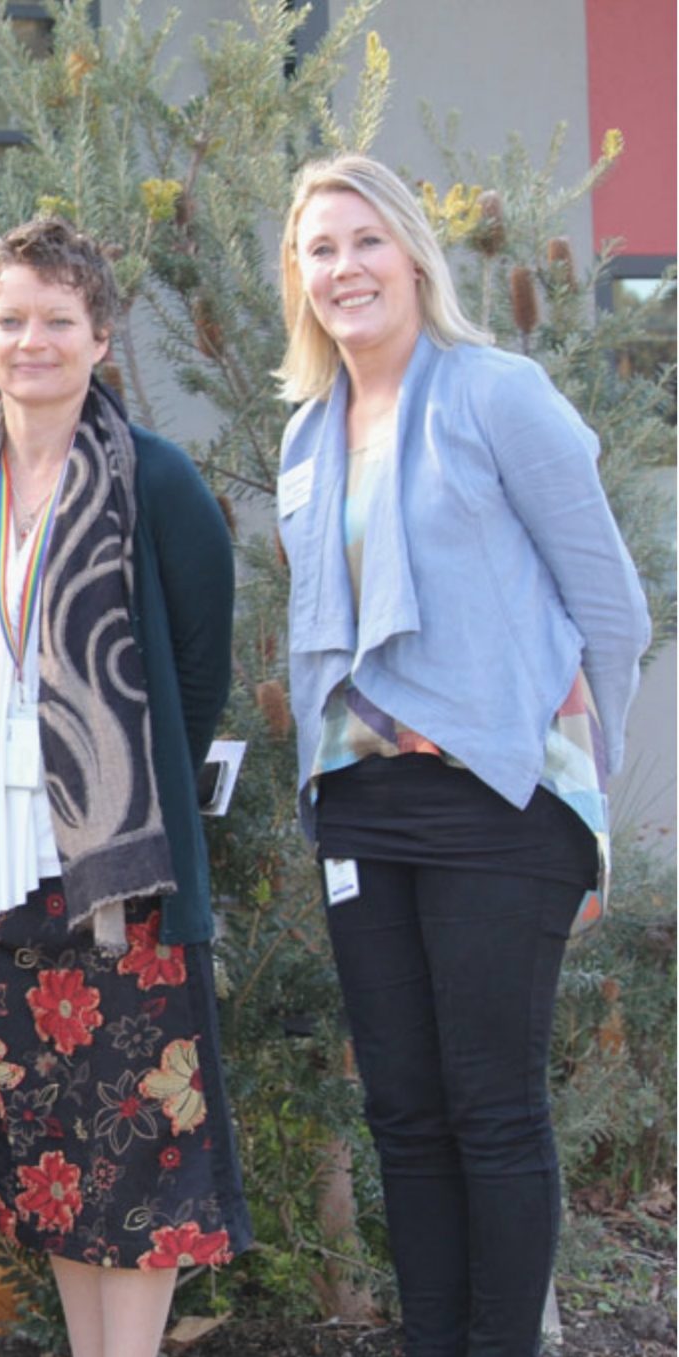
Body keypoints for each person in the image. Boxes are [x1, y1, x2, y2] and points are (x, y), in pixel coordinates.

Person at [274, 154, 649, 1356]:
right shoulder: (303, 435)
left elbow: (613, 613)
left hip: (499, 799)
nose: (344, 269)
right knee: (402, 1109)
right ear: (300, 279)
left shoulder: (499, 394)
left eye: (364, 240)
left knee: (489, 1108)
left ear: (412, 256)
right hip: (362, 806)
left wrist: (583, 808)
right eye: (319, 250)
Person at [0, 218, 250, 1357]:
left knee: (137, 1163)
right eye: (10, 319)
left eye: (57, 319)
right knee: (49, 1155)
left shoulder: (154, 476)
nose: (31, 339)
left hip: (113, 879)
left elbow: (198, 669)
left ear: (100, 336)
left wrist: (120, 809)